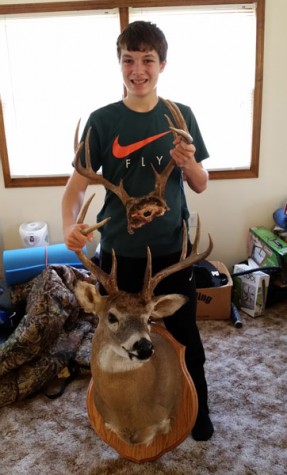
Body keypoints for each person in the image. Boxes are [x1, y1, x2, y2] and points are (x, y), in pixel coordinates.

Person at [62, 20, 213, 441]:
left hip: (170, 252)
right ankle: (120, 407)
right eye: (129, 60)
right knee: (116, 340)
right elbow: (74, 191)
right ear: (120, 65)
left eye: (148, 60)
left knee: (185, 337)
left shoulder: (181, 116)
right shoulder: (102, 121)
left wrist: (188, 163)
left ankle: (197, 407)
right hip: (117, 257)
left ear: (162, 64)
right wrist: (70, 226)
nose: (138, 69)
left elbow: (200, 183)